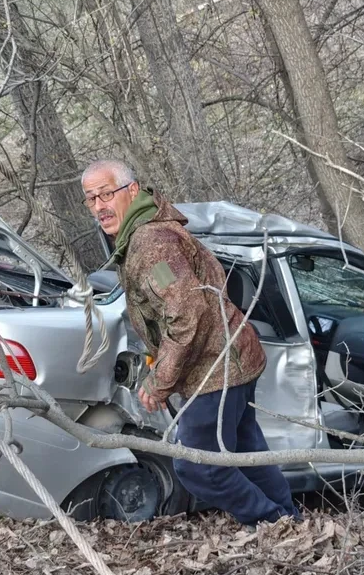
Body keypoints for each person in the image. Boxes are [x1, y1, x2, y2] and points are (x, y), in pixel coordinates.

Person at [81, 160, 299, 526]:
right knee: (245, 452)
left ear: (131, 192)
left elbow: (186, 311)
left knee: (197, 468)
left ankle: (271, 521)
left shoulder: (151, 246)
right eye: (91, 199)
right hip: (232, 359)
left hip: (216, 369)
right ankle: (289, 524)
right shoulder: (143, 235)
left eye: (106, 194)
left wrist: (160, 380)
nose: (100, 206)